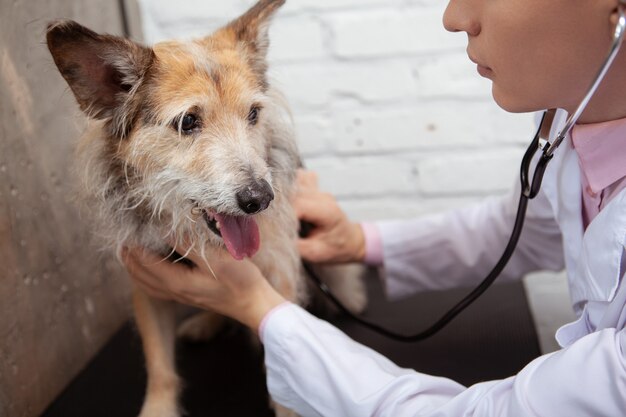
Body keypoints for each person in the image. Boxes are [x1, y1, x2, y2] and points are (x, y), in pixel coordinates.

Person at [123, 0, 626, 415]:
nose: (453, 16)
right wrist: (360, 242)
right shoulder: (586, 145)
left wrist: (261, 310)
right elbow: (529, 231)